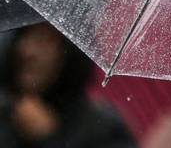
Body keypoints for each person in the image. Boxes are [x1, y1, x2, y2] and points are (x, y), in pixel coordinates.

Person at [0, 22, 135, 148]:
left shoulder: (103, 129)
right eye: (24, 36)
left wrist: (50, 140)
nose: (27, 51)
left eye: (44, 40)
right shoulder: (5, 111)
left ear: (69, 53)